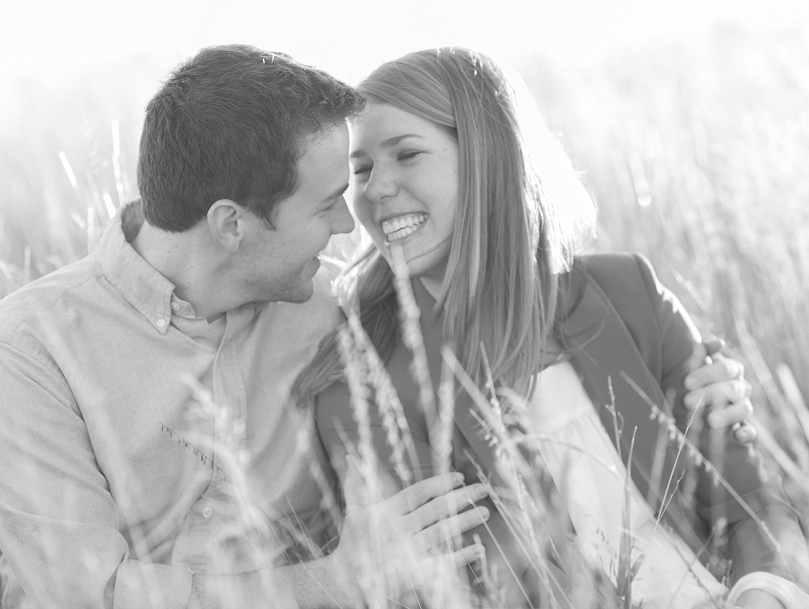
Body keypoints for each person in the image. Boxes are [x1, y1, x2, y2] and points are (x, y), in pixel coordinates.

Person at [308, 48, 809, 608]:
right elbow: (488, 583)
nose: (376, 187)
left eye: (406, 154)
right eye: (361, 169)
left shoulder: (629, 293)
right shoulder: (366, 385)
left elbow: (747, 503)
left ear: (486, 159)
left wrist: (761, 596)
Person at [0, 44, 493, 608]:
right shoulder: (29, 352)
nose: (347, 223)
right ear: (231, 224)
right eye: (326, 204)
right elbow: (91, 597)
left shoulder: (332, 316)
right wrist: (335, 582)